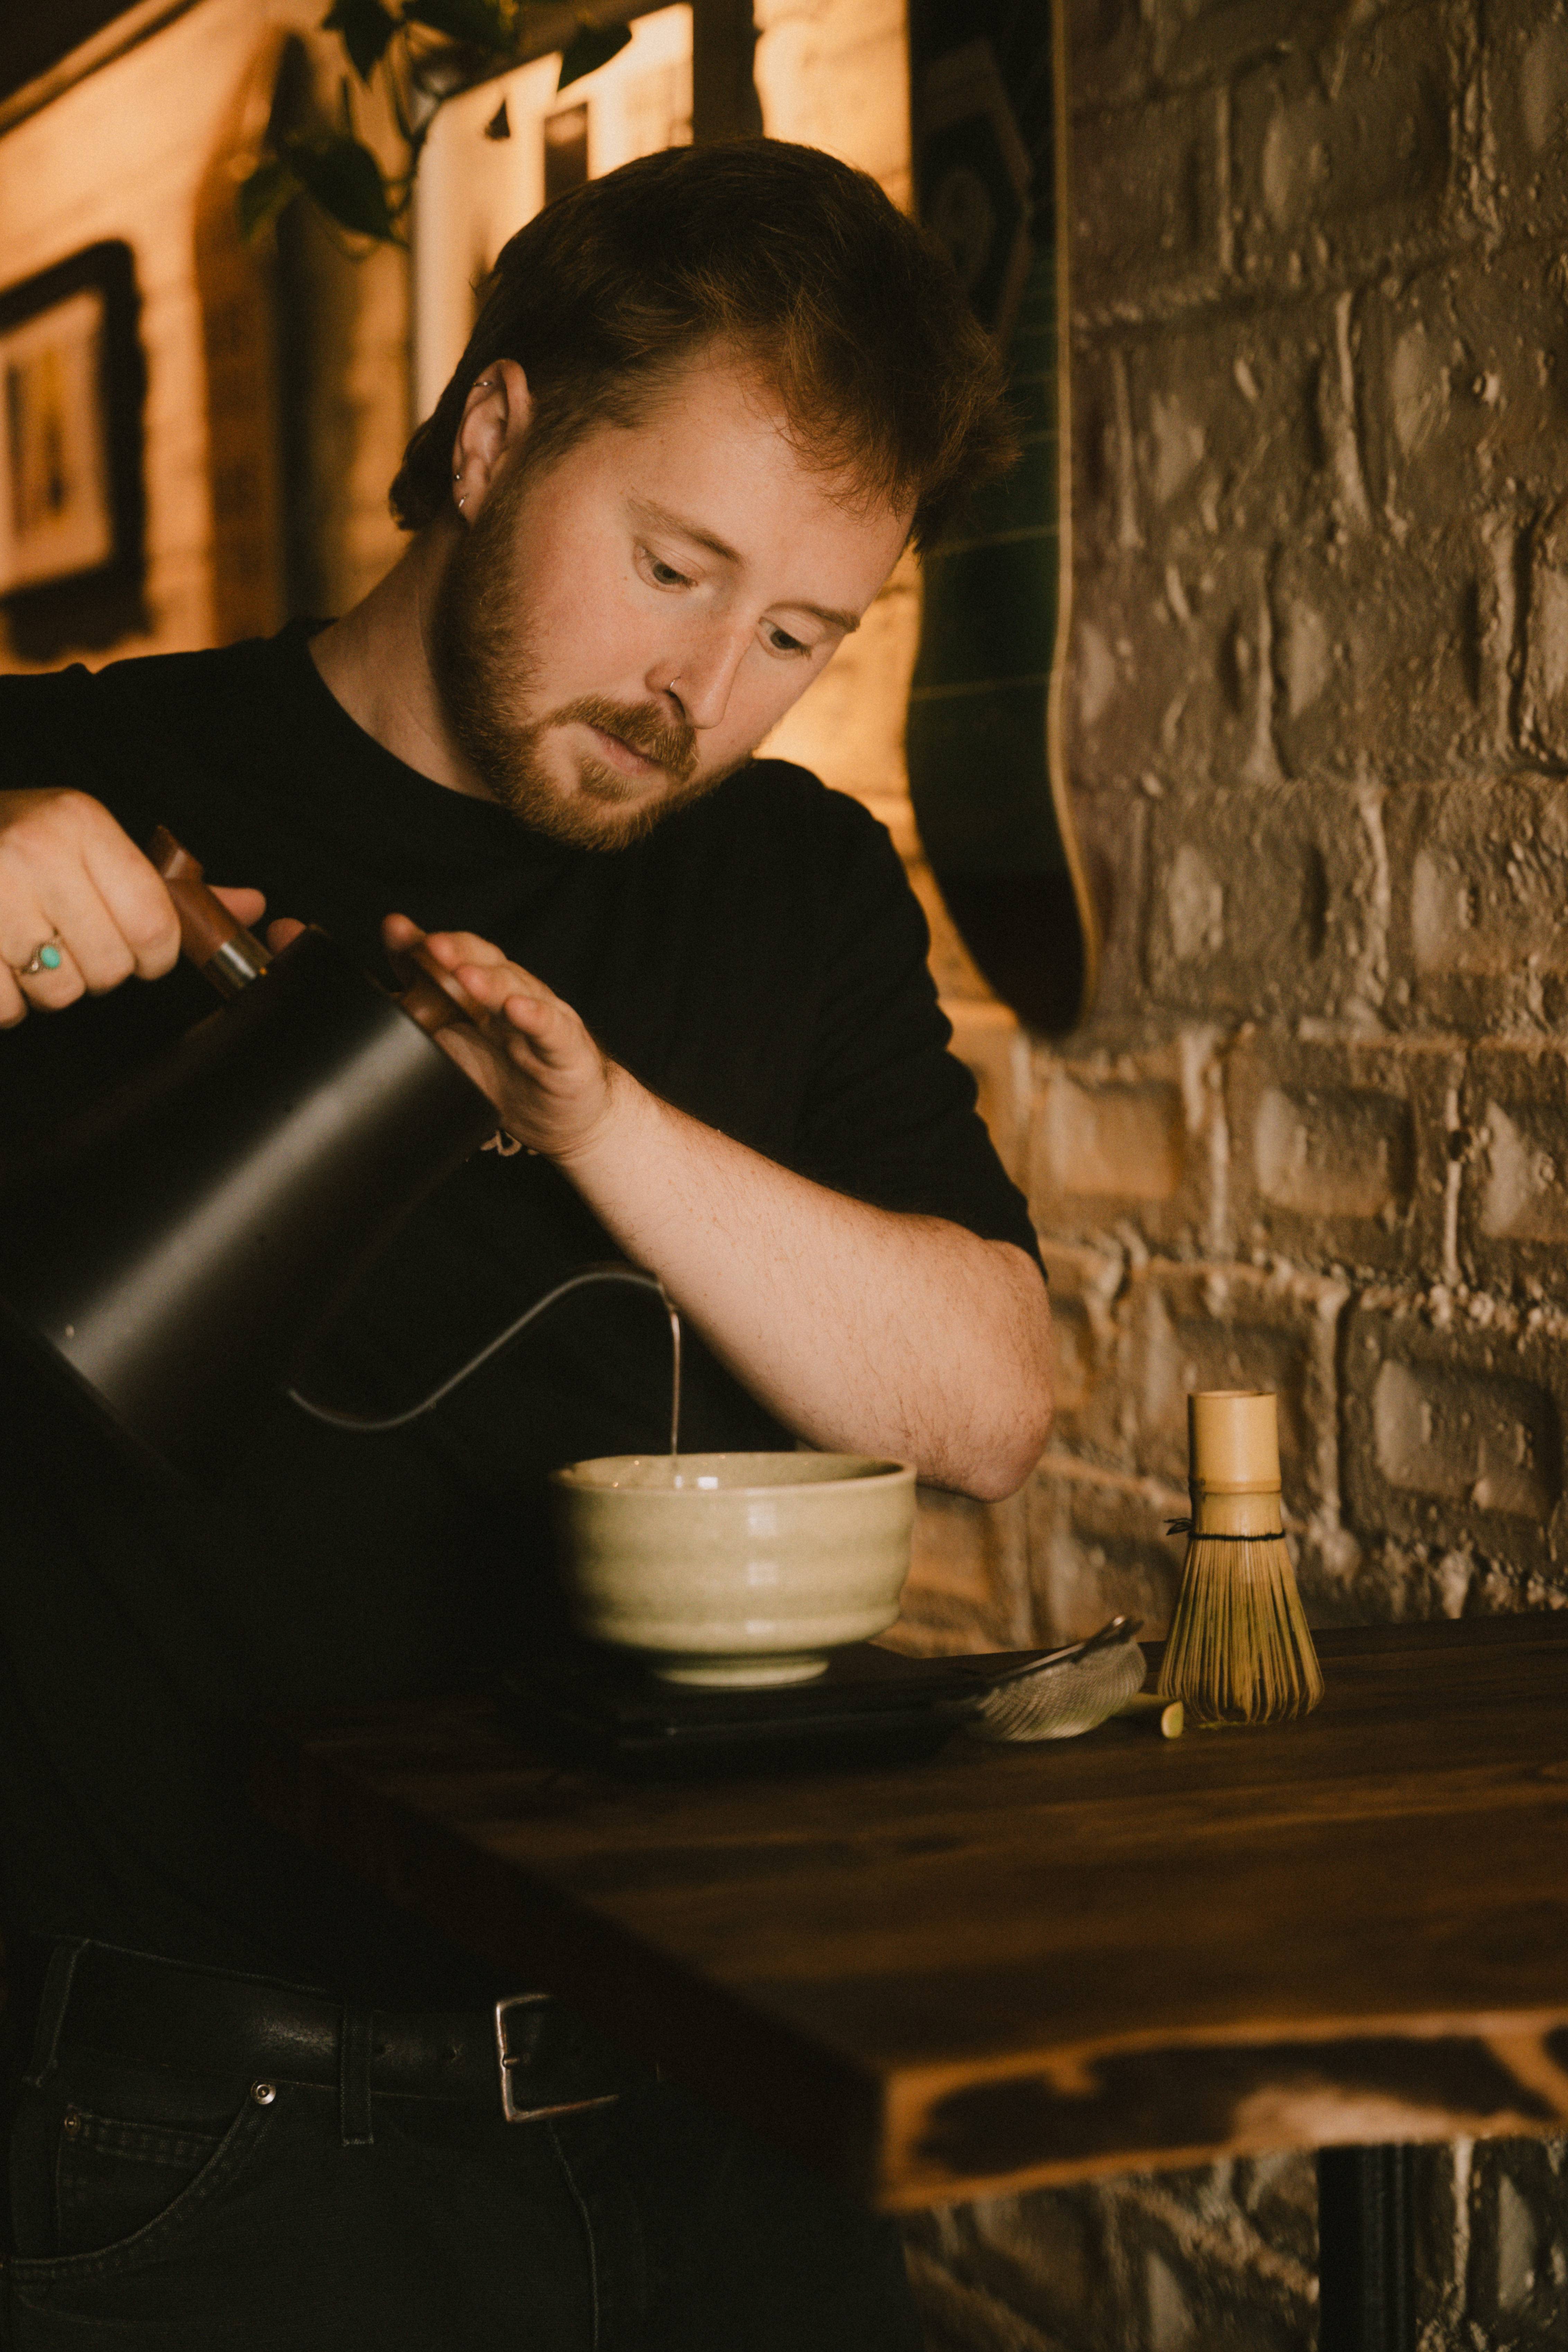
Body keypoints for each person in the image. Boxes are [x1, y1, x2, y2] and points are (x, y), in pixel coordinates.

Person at [0, 140, 1052, 2347]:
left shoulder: (793, 879)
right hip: (197, 2143)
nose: (702, 689)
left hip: (723, 2103)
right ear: (492, 435)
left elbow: (990, 1398)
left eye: (793, 632)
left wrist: (598, 1119)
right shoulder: (82, 771)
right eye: (673, 565)